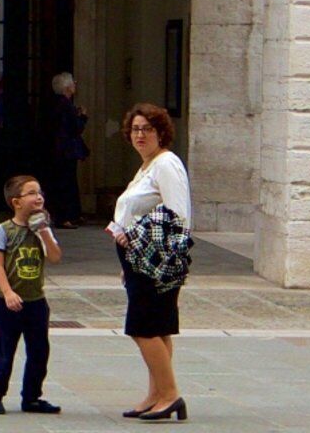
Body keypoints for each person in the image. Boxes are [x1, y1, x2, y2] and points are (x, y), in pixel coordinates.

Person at [105, 104, 192, 421]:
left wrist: (139, 243)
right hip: (140, 259)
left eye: (147, 129)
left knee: (142, 327)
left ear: (161, 132)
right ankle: (157, 394)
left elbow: (177, 213)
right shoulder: (148, 166)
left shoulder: (166, 164)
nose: (140, 134)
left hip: (155, 260)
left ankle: (170, 395)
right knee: (159, 327)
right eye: (135, 129)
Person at [0, 171, 63, 415]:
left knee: (39, 352)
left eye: (39, 192)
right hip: (7, 303)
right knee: (4, 352)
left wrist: (44, 234)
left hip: (36, 302)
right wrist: (7, 292)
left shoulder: (42, 229)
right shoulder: (4, 230)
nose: (38, 197)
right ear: (16, 202)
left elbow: (55, 257)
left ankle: (31, 397)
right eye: (31, 193)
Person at [42, 72, 91, 222]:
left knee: (63, 182)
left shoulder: (54, 104)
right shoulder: (65, 105)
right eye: (73, 82)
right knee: (67, 184)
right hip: (66, 151)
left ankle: (71, 215)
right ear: (67, 87)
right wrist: (82, 116)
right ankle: (66, 217)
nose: (75, 84)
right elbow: (75, 128)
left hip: (56, 149)